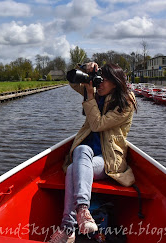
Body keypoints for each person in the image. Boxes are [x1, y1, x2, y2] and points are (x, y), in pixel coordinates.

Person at [49, 63, 137, 243]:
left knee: (74, 168)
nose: (100, 84)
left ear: (115, 82)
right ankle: (83, 211)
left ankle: (68, 227)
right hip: (86, 154)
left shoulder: (125, 101)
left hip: (109, 159)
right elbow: (73, 81)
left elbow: (97, 124)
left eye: (104, 80)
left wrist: (89, 95)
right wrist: (85, 69)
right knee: (80, 150)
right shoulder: (97, 92)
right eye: (100, 79)